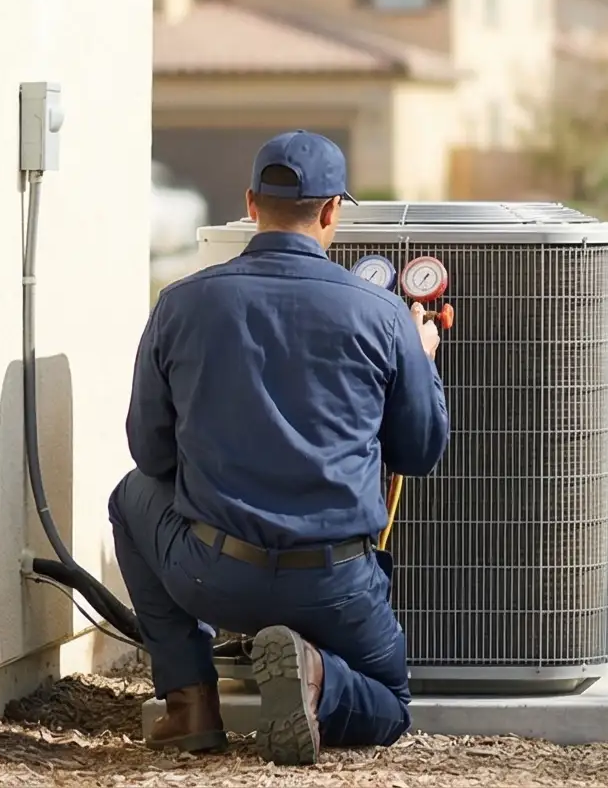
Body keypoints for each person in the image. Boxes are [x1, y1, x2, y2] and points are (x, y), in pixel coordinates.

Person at [110, 131, 448, 763]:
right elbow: (419, 453)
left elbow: (149, 455)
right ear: (330, 213)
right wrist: (424, 362)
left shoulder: (180, 303)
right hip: (335, 583)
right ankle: (316, 676)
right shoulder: (383, 315)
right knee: (392, 704)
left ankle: (189, 703)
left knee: (131, 497)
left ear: (250, 203)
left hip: (213, 574)